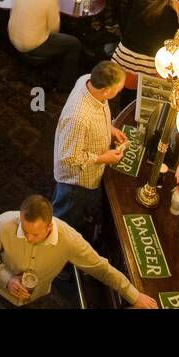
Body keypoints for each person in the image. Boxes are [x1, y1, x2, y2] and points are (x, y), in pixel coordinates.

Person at [0, 194, 156, 309]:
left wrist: (134, 295)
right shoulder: (4, 224)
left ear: (49, 226)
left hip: (35, 300)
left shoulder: (69, 240)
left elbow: (100, 268)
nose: (27, 237)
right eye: (24, 229)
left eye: (34, 234)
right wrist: (8, 278)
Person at [53, 61, 128, 237]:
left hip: (90, 173)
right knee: (64, 216)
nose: (118, 93)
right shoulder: (78, 118)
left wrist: (109, 128)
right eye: (117, 90)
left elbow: (101, 109)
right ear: (107, 91)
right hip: (76, 181)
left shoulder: (86, 80)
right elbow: (68, 157)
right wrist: (104, 158)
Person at [7, 0, 83, 91]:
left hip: (13, 37)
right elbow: (54, 28)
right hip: (32, 44)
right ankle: (65, 86)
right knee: (74, 43)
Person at [112, 0, 179, 77]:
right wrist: (178, 15)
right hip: (148, 66)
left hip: (122, 58)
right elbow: (175, 40)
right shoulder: (170, 13)